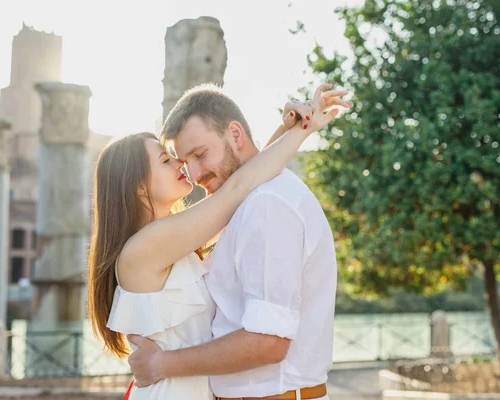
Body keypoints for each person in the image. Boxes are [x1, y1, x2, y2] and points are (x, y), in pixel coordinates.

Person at [88, 84, 349, 400]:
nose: (186, 169)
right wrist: (302, 130)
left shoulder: (179, 240)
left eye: (194, 155)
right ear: (139, 187)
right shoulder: (144, 248)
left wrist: (292, 126)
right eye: (167, 160)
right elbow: (239, 189)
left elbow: (245, 188)